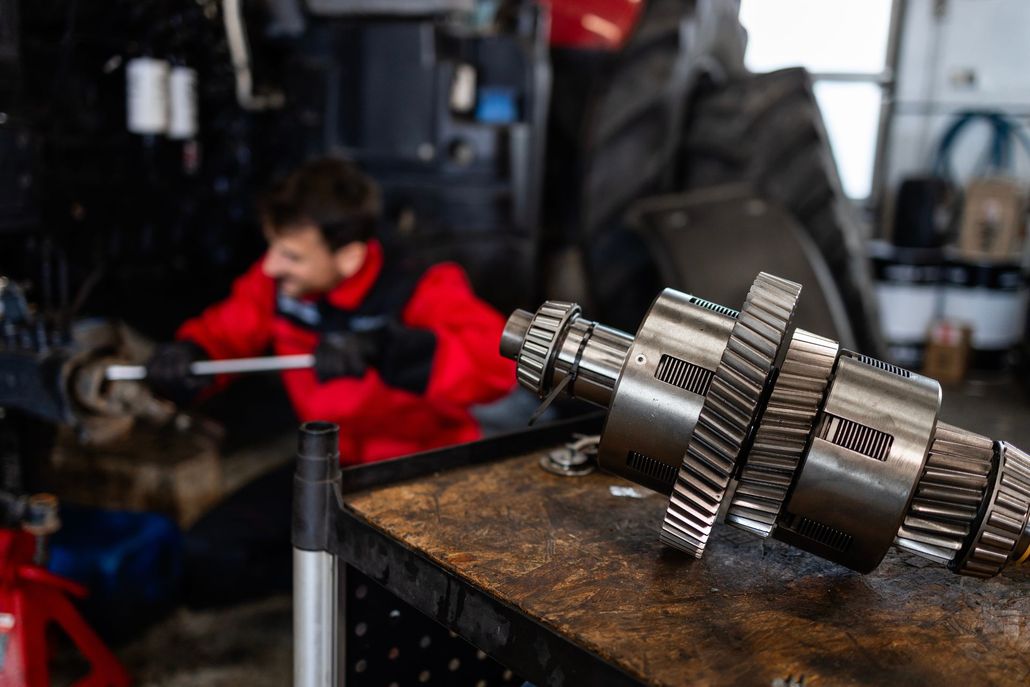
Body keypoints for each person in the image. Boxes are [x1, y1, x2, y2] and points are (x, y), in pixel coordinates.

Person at [146, 157, 515, 464]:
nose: (271, 266)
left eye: (291, 255)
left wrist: (390, 350)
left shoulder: (419, 285)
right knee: (212, 545)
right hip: (329, 459)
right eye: (273, 247)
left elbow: (500, 364)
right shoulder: (278, 282)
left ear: (350, 257)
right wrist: (191, 354)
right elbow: (228, 330)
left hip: (421, 467)